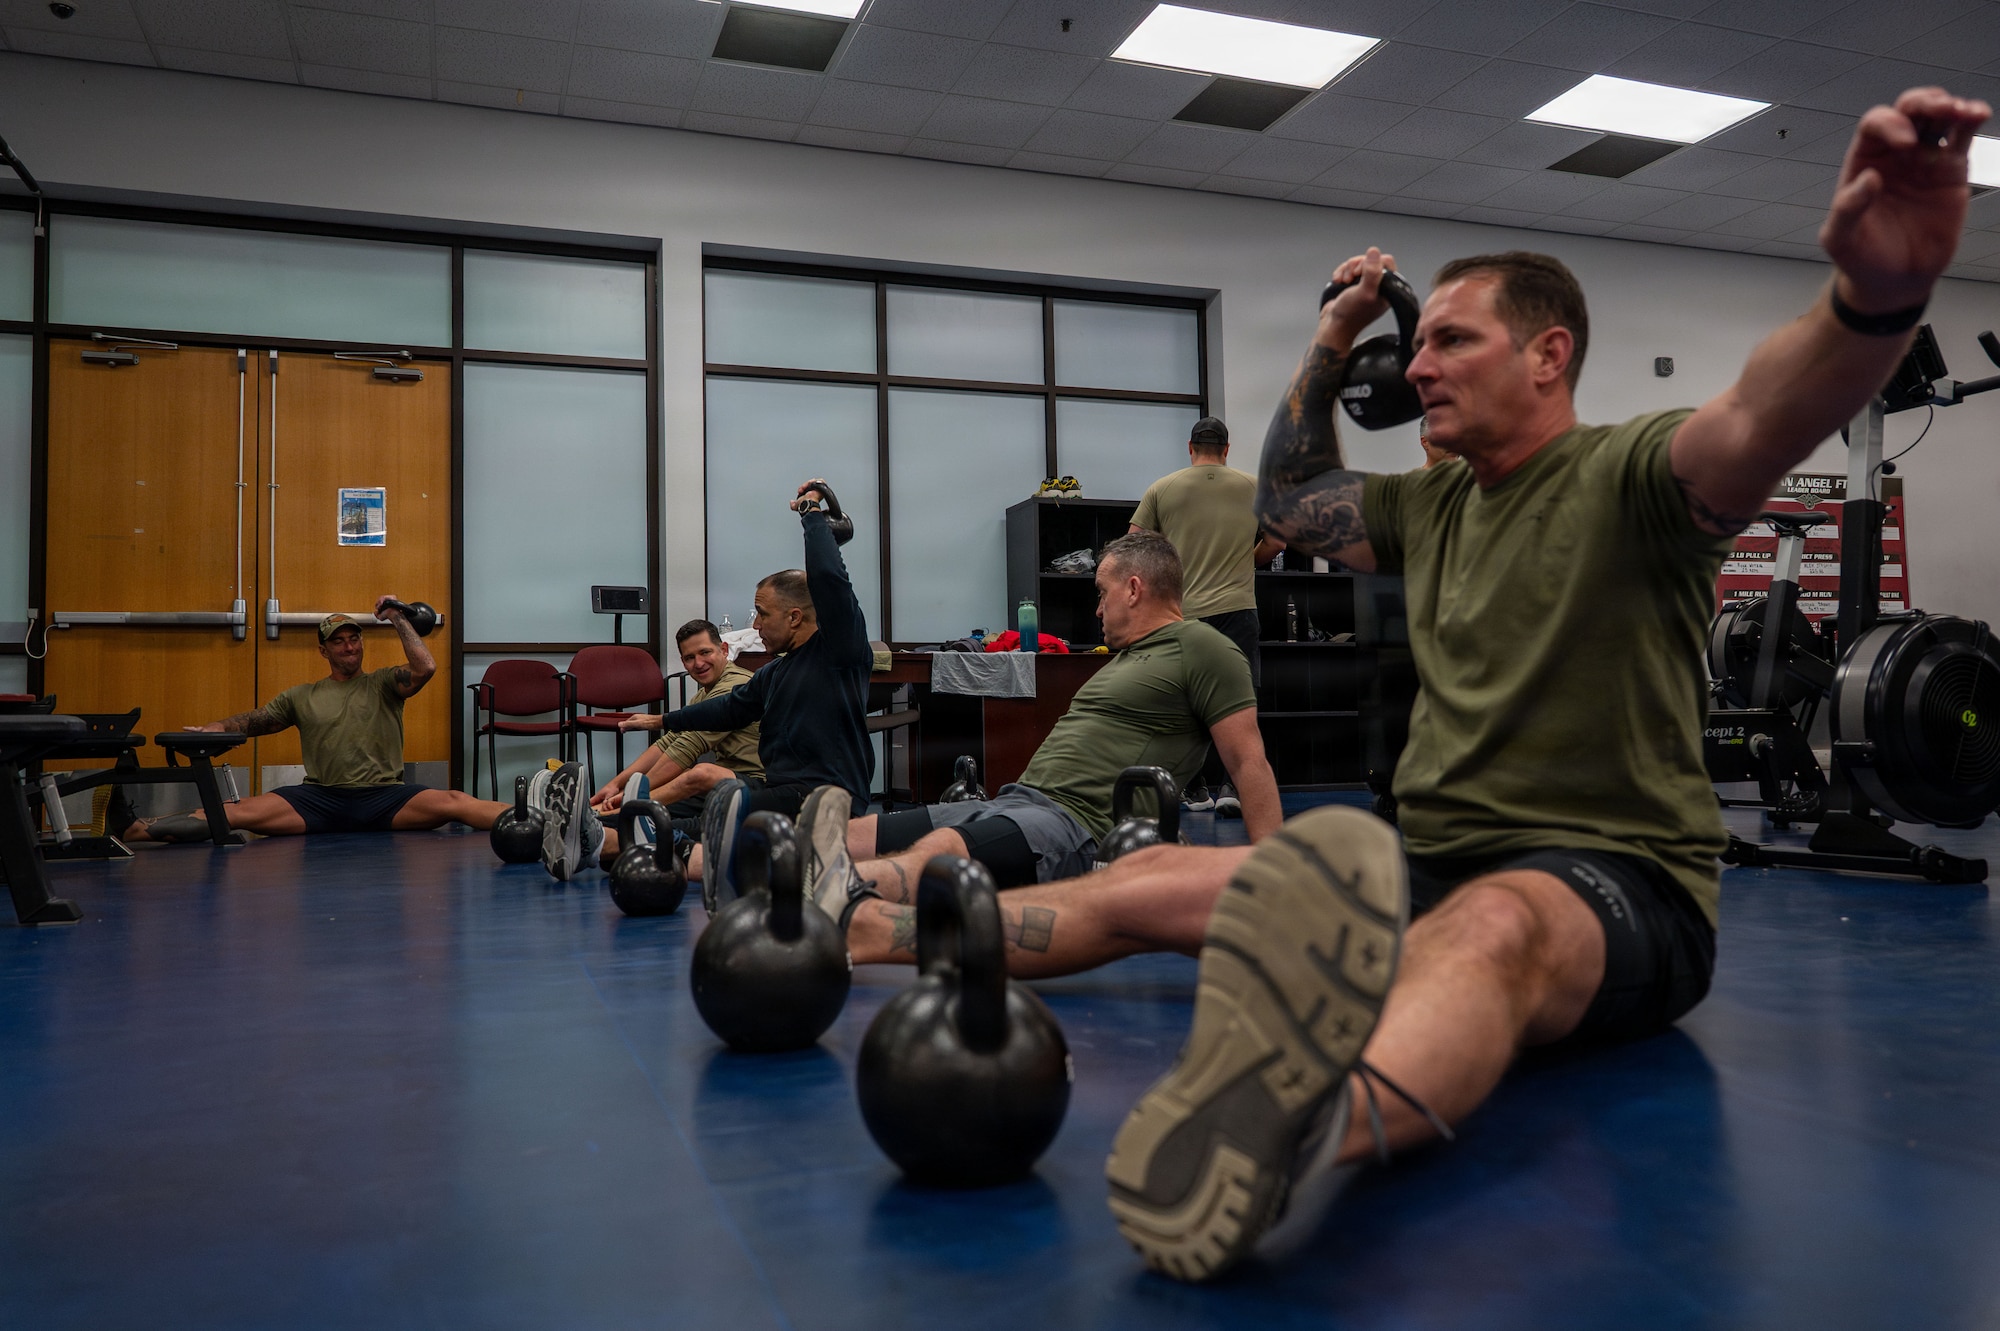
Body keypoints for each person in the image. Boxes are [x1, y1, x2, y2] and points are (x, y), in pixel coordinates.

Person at [826, 87, 1991, 1285]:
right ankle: (855, 930)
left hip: (1613, 883)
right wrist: (1331, 337)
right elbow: (1284, 496)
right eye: (1413, 340)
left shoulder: (1635, 473)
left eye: (1450, 340)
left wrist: (1873, 293)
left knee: (1495, 926)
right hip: (1418, 864)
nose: (1417, 364)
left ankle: (1284, 1142)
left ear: (1549, 354)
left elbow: (1767, 404)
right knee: (1145, 874)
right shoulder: (1427, 508)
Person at [764, 530, 1281, 931]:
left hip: (1076, 827)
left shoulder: (1204, 648)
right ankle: (711, 861)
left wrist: (1274, 875)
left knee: (942, 846)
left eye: (1101, 593)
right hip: (1018, 801)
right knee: (853, 831)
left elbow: (1247, 761)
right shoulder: (1123, 659)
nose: (1097, 608)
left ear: (1134, 588)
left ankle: (801, 895)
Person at [537, 479, 873, 890]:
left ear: (795, 617)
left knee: (719, 804)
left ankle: (597, 834)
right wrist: (661, 719)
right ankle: (591, 835)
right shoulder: (775, 672)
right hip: (784, 791)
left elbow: (829, 581)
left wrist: (812, 513)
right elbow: (725, 709)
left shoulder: (839, 652)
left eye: (762, 614)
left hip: (828, 800)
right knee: (705, 813)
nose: (755, 625)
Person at [120, 600, 505, 840]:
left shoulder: (384, 683)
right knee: (235, 813)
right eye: (338, 640)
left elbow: (426, 667)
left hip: (386, 797)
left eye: (354, 638)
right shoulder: (302, 696)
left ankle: (540, 819)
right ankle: (136, 829)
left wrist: (398, 618)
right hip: (320, 800)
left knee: (455, 800)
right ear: (323, 650)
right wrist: (220, 726)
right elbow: (258, 721)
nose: (349, 645)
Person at [1128, 415, 1284, 817]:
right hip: (1238, 611)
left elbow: (1135, 547)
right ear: (1227, 450)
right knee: (1239, 703)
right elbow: (1279, 540)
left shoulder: (1162, 488)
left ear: (1190, 447)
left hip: (1182, 615)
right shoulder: (1255, 487)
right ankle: (1233, 787)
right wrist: (1245, 562)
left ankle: (1193, 789)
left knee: (1183, 703)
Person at [587, 617, 762, 849]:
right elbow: (669, 741)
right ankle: (590, 819)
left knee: (650, 812)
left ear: (724, 649)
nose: (698, 663)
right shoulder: (705, 693)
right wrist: (616, 784)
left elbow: (686, 748)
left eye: (705, 653)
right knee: (647, 814)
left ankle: (593, 820)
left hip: (752, 787)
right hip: (719, 787)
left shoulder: (734, 685)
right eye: (690, 658)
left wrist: (634, 794)